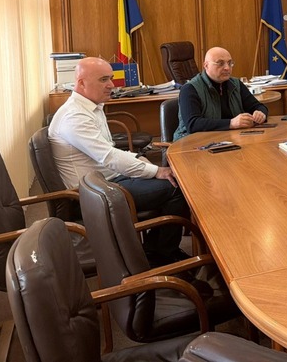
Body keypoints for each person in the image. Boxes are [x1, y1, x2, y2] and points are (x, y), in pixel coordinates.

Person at [48, 57, 189, 266]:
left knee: (171, 182)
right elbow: (109, 157)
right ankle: (162, 256)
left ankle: (154, 251)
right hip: (93, 194)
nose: (112, 85)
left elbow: (110, 151)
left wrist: (139, 160)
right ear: (81, 83)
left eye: (111, 78)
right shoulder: (74, 117)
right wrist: (156, 171)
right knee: (177, 187)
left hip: (107, 180)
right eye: (103, 79)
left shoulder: (91, 107)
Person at [174, 46, 268, 140]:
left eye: (230, 63)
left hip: (228, 139)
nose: (227, 68)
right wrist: (231, 123)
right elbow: (193, 124)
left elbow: (258, 106)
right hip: (192, 142)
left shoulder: (236, 84)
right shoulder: (190, 88)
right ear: (206, 65)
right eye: (220, 63)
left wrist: (260, 113)